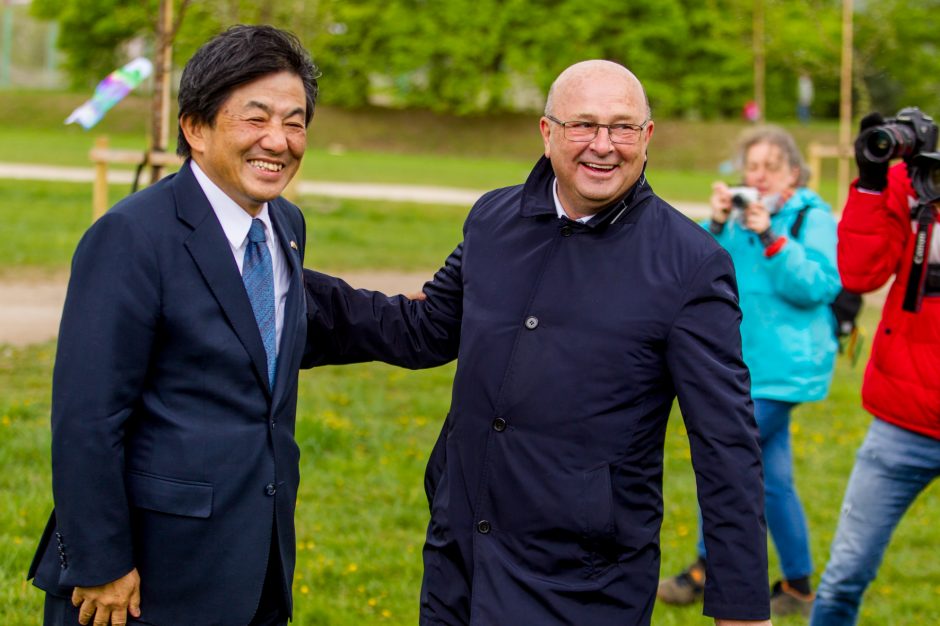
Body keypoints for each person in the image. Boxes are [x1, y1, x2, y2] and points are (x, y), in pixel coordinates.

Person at [303, 60, 772, 625]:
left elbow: (726, 445)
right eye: (584, 125)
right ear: (547, 133)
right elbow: (423, 330)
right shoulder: (492, 220)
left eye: (622, 127)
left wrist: (741, 608)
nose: (603, 145)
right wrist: (282, 285)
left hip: (584, 581)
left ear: (647, 138)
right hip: (461, 557)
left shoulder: (691, 265)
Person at [26, 25, 452, 626]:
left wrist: (486, 269)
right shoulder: (132, 237)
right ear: (195, 128)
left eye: (295, 121)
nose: (278, 141)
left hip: (255, 567)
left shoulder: (284, 227)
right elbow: (86, 418)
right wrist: (100, 564)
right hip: (143, 583)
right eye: (256, 119)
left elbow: (322, 320)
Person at [658, 126, 841, 617]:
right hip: (740, 365)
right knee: (774, 479)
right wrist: (716, 225)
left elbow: (819, 286)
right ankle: (800, 585)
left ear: (793, 174)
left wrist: (769, 235)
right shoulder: (735, 218)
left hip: (785, 371)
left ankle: (703, 567)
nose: (756, 177)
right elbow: (686, 268)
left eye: (769, 167)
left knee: (724, 456)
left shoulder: (810, 216)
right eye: (751, 166)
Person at [809, 113, 940, 625]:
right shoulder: (916, 183)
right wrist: (871, 181)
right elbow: (859, 274)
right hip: (903, 419)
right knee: (845, 573)